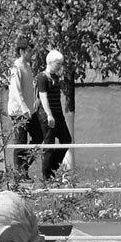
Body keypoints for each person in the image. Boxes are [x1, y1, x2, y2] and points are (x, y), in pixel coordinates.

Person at [7, 38, 42, 179]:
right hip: (18, 112)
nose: (30, 54)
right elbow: (16, 91)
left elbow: (29, 88)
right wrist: (23, 108)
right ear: (21, 51)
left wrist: (35, 100)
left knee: (39, 137)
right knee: (20, 142)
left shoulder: (27, 66)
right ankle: (19, 174)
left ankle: (24, 167)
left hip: (29, 110)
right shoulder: (16, 68)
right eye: (28, 51)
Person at [35, 49, 72, 181]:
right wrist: (49, 115)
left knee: (66, 140)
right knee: (49, 145)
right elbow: (43, 97)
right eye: (58, 63)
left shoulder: (56, 77)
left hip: (58, 114)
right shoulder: (42, 77)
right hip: (47, 115)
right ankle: (46, 176)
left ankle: (53, 169)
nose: (60, 66)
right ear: (50, 62)